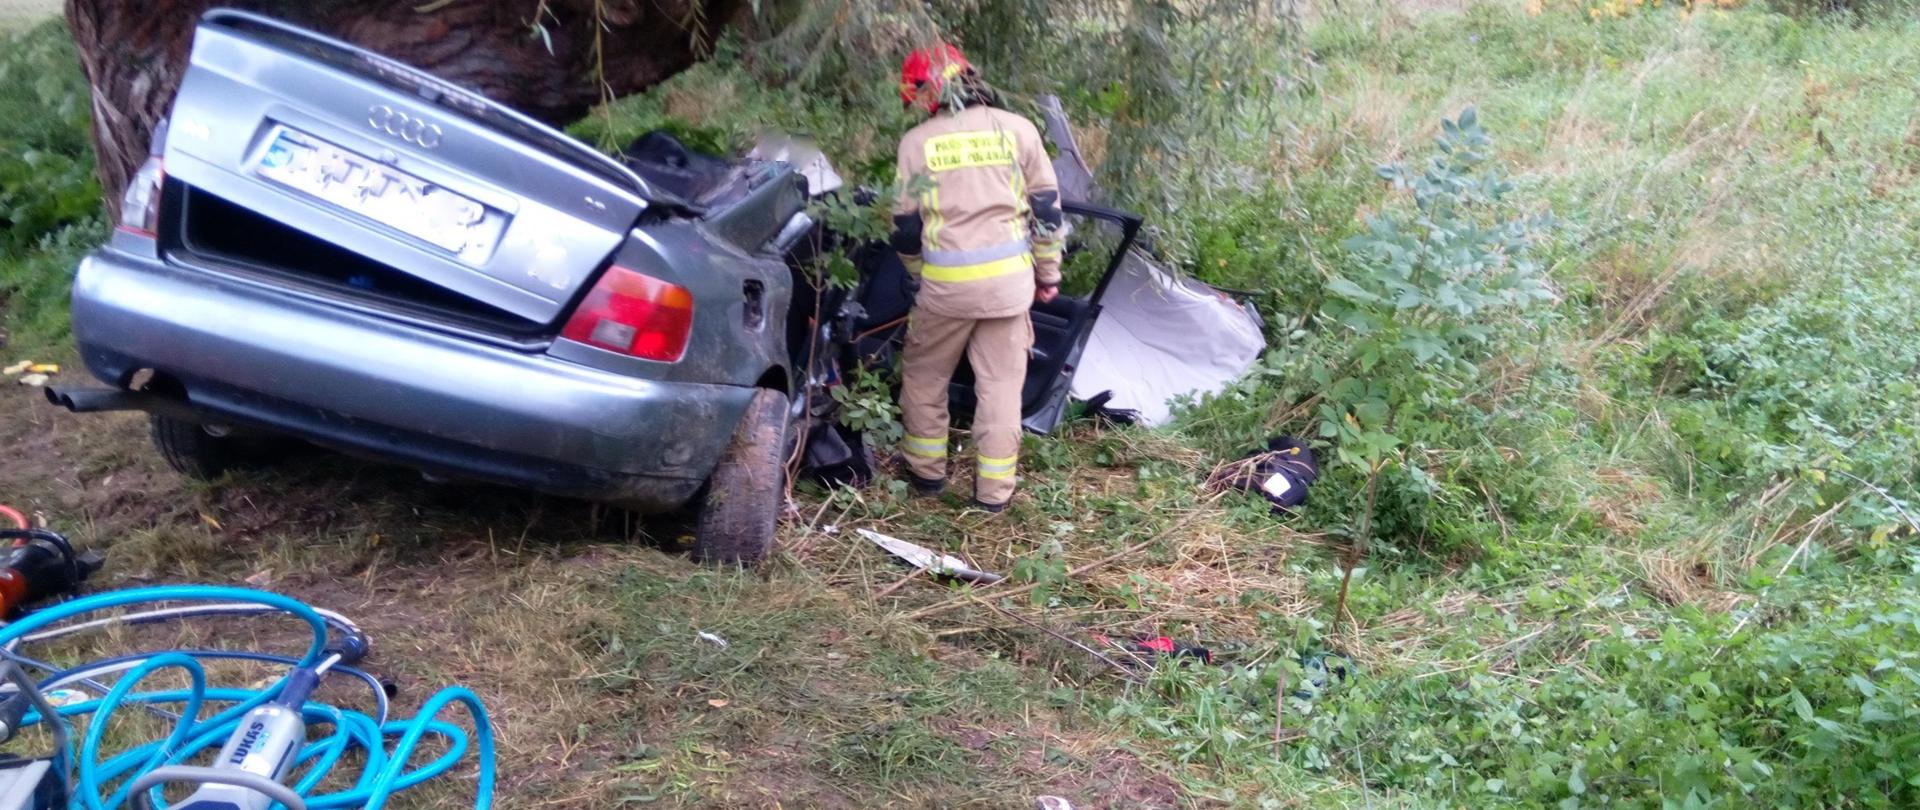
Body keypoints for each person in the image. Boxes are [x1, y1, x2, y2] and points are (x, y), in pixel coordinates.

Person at [890, 43, 1067, 513]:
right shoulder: (1019, 131)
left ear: (927, 93)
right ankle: (993, 495)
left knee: (926, 377)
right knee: (1002, 389)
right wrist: (1048, 274)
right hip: (1009, 289)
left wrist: (916, 276)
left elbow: (906, 228)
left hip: (945, 289)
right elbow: (1047, 213)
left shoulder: (916, 143)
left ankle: (926, 476)